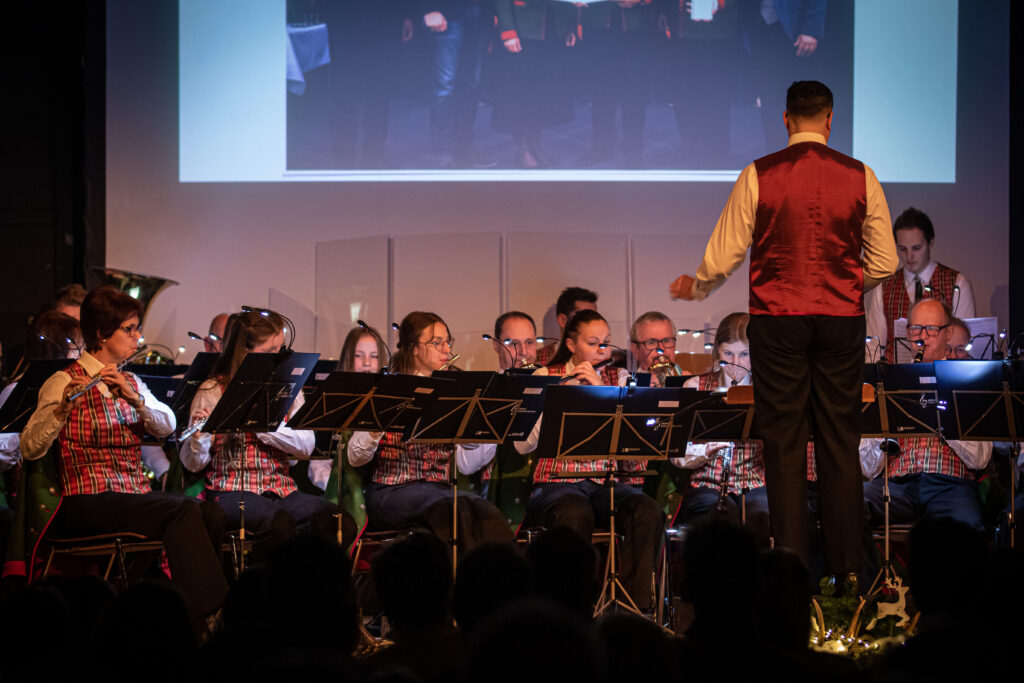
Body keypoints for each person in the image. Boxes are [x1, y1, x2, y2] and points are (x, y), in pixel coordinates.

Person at [669, 80, 898, 592]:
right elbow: (885, 261)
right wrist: (841, 285)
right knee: (840, 443)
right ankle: (850, 579)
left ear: (786, 119)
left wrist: (698, 285)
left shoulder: (759, 173)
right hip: (840, 322)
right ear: (831, 119)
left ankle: (791, 584)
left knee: (785, 445)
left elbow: (726, 251)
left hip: (776, 319)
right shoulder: (863, 175)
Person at [18, 286, 227, 621]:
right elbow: (30, 447)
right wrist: (60, 411)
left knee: (211, 515)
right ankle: (205, 618)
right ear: (101, 334)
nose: (138, 337)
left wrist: (136, 400)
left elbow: (168, 426)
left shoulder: (132, 381)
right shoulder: (61, 382)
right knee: (182, 511)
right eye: (129, 329)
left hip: (130, 497)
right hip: (85, 499)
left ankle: (203, 614)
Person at [515, 309, 663, 610]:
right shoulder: (545, 376)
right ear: (571, 345)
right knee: (574, 510)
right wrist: (554, 402)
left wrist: (599, 392)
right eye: (593, 342)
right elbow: (523, 445)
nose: (602, 350)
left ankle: (632, 609)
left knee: (646, 510)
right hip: (555, 483)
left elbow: (635, 443)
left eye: (606, 343)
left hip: (604, 482)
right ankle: (572, 609)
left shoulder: (619, 378)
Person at [180, 309, 349, 555]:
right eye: (270, 352)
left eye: (281, 349)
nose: (279, 358)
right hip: (231, 490)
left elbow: (305, 446)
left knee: (339, 522)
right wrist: (200, 436)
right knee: (278, 524)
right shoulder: (213, 390)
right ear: (245, 352)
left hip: (282, 489)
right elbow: (193, 465)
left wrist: (263, 426)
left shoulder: (287, 388)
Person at [347, 311, 514, 550]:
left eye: (448, 342)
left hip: (439, 489)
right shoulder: (389, 386)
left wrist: (472, 420)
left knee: (484, 511)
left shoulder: (451, 387)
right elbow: (355, 456)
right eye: (437, 343)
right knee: (449, 508)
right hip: (391, 491)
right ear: (414, 348)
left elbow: (467, 454)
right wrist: (380, 422)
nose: (446, 350)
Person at [861, 299, 991, 533]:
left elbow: (981, 459)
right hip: (898, 485)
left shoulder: (967, 382)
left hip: (950, 485)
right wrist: (885, 435)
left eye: (932, 329)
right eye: (916, 329)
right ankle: (864, 571)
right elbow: (867, 468)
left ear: (948, 333)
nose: (923, 336)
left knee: (966, 527)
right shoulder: (888, 381)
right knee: (848, 506)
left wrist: (941, 417)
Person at [671, 313, 770, 547]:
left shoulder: (767, 391)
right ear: (717, 351)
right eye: (728, 354)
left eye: (744, 354)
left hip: (756, 481)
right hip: (708, 483)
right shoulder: (695, 387)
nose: (736, 363)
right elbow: (676, 453)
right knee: (719, 516)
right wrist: (705, 450)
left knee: (762, 515)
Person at [307, 324, 388, 534]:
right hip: (339, 492)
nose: (368, 363)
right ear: (348, 359)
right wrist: (341, 486)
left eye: (374, 356)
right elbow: (316, 467)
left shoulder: (388, 401)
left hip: (379, 490)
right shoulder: (332, 401)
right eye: (359, 356)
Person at [866, 207, 976, 361]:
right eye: (902, 249)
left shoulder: (957, 283)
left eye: (916, 248)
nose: (909, 256)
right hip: (896, 379)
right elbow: (874, 346)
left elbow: (962, 342)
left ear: (930, 243)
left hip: (943, 377)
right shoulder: (884, 287)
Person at [491, 0, 575, 168]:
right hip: (523, 26)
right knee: (520, 89)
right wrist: (507, 29)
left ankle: (535, 145)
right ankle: (522, 148)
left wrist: (569, 26)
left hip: (552, 25)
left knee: (541, 90)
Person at [422, 0, 496, 169]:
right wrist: (429, 8)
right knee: (445, 85)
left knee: (472, 84)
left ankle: (463, 147)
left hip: (481, 13)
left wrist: (493, 19)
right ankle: (443, 152)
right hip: (449, 12)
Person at [536, 286, 598, 365]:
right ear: (562, 320)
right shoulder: (536, 359)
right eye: (584, 317)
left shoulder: (605, 362)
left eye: (595, 317)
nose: (592, 324)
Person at [629, 310, 682, 382]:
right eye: (652, 342)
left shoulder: (688, 384)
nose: (661, 348)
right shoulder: (627, 390)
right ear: (635, 350)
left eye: (666, 341)